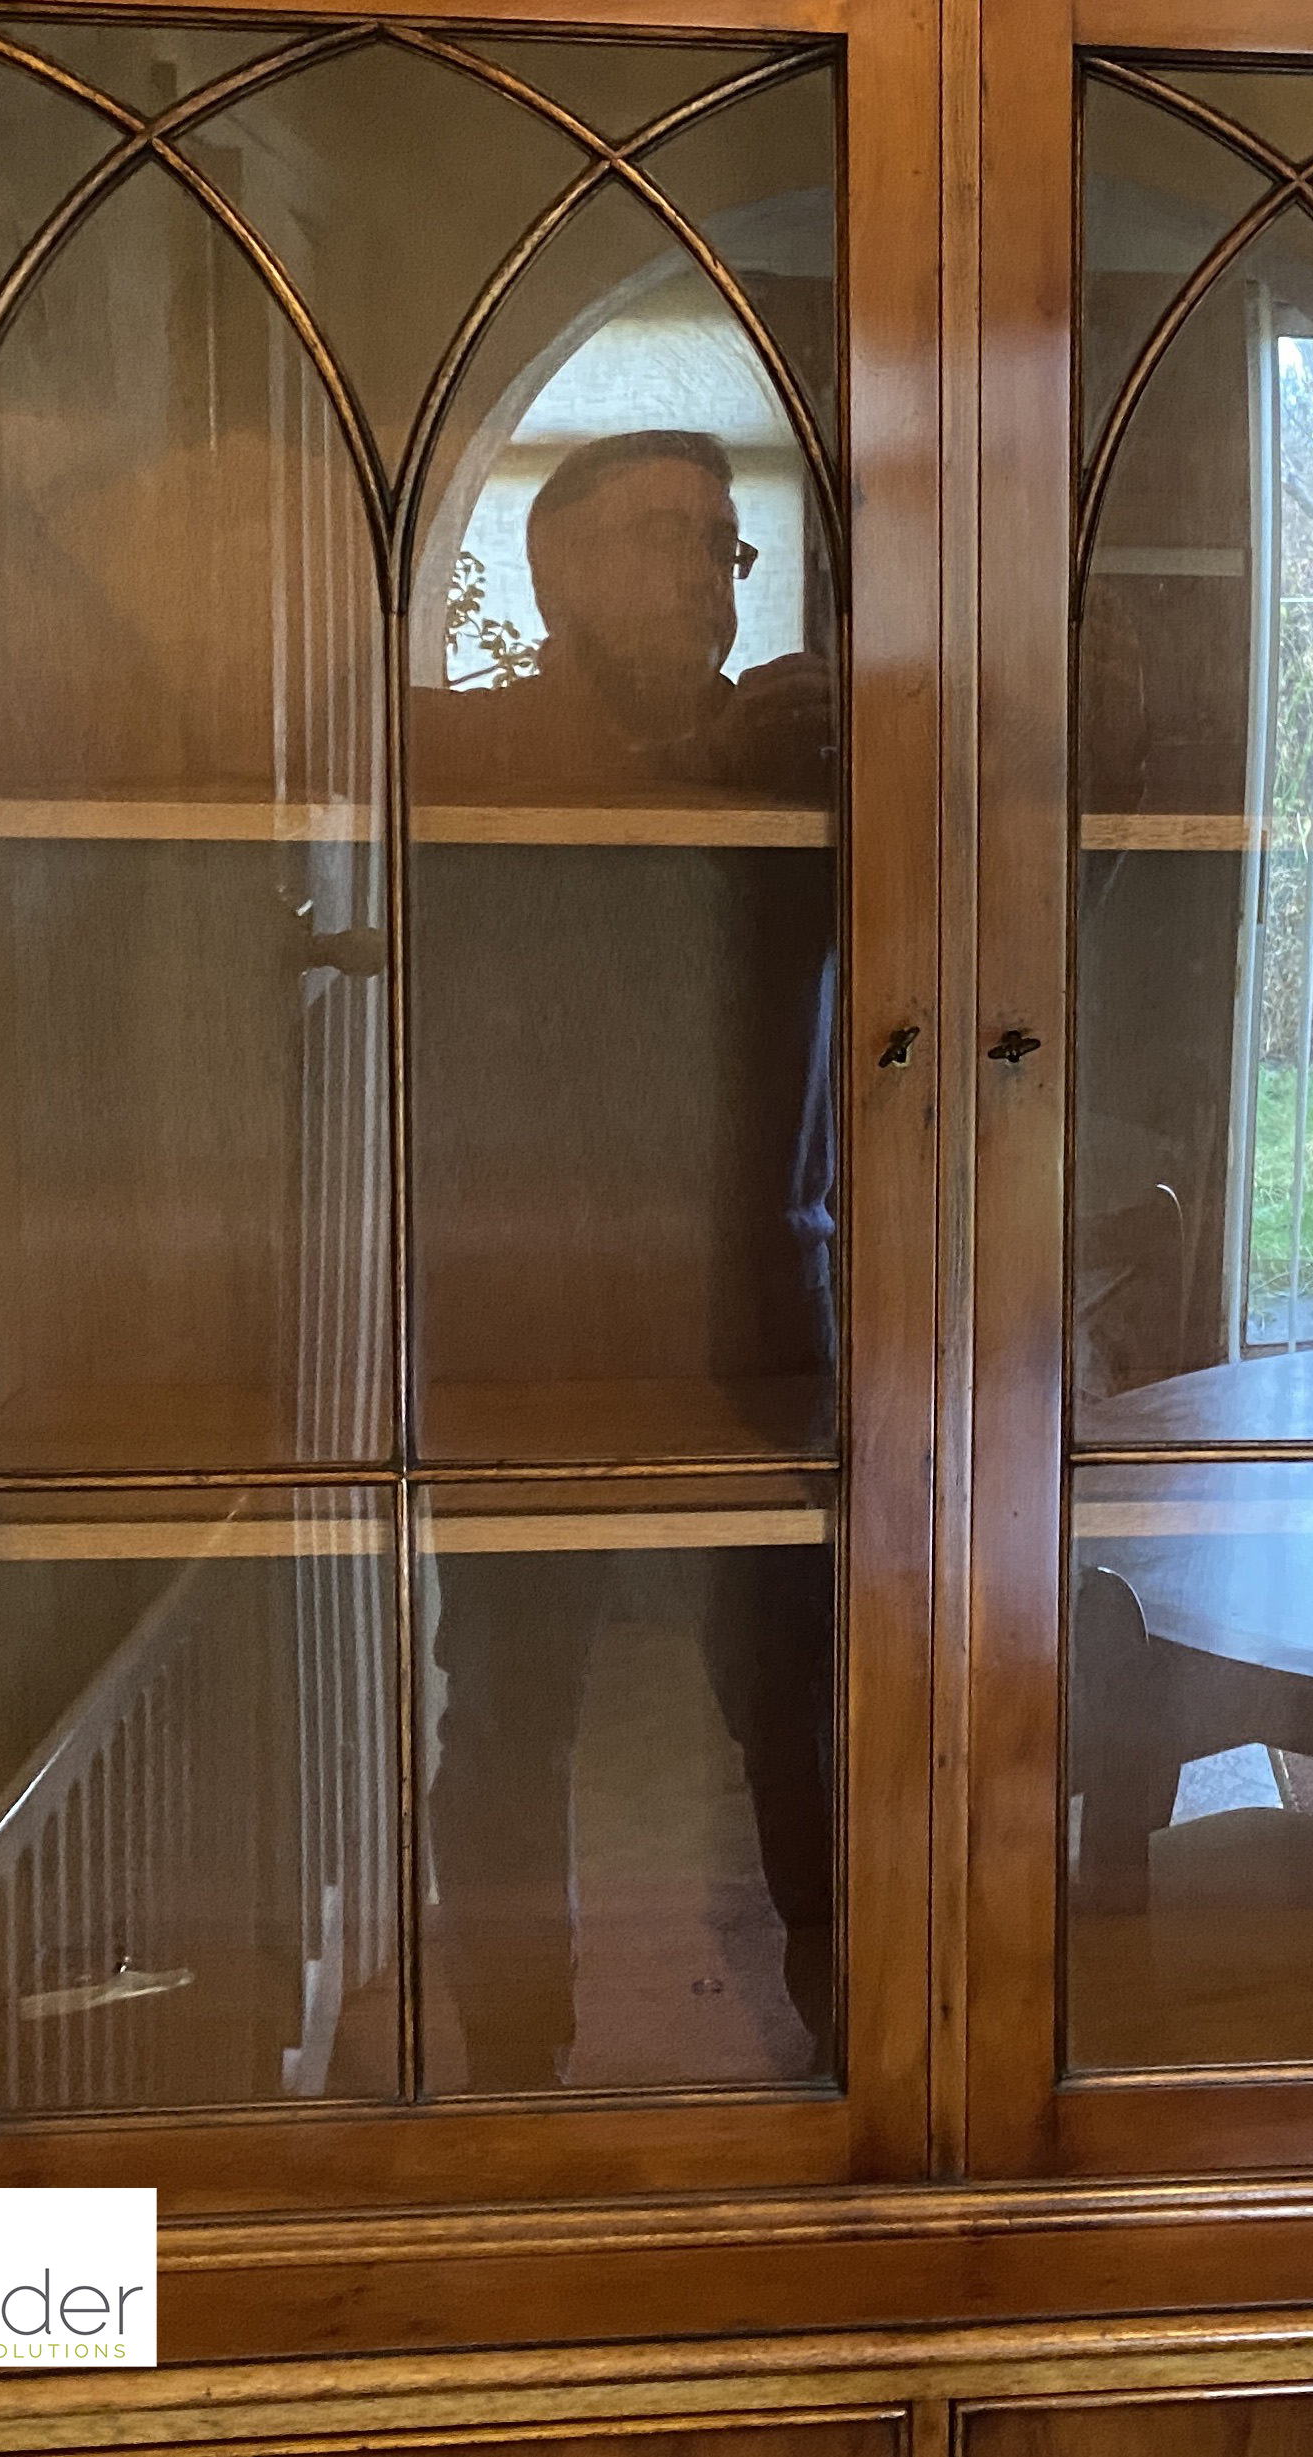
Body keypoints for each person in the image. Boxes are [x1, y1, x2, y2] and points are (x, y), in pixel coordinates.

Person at [416, 428, 841, 2093]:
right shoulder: (470, 752)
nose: (701, 572)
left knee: (804, 1706)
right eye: (662, 534)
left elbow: (1002, 917)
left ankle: (854, 2058)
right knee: (512, 1711)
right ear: (552, 573)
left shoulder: (798, 754)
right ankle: (518, 2072)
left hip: (759, 1318)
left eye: (724, 545)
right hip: (525, 1329)